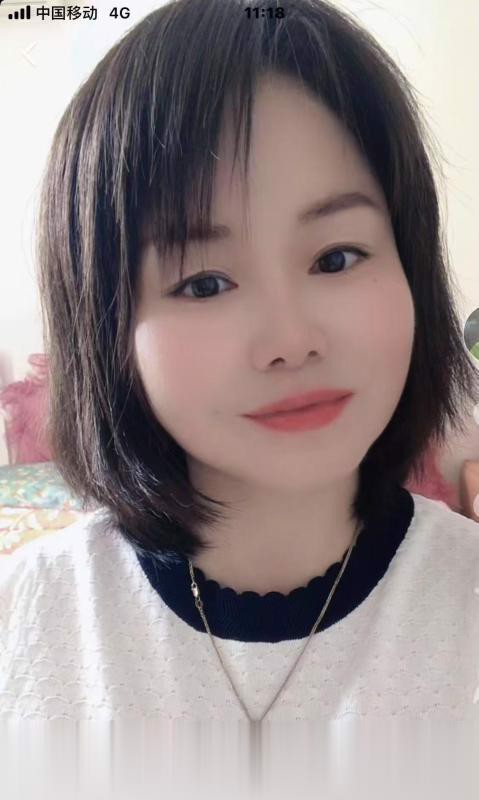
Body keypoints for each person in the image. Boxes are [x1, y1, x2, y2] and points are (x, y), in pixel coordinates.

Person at [1, 0, 479, 726]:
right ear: (107, 330)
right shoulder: (26, 620)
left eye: (336, 257)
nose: (290, 339)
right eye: (204, 284)